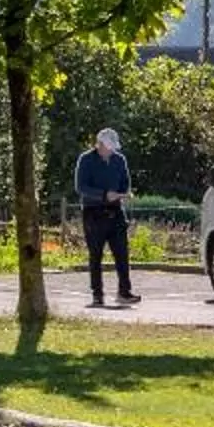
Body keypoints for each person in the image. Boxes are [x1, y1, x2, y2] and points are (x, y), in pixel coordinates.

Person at [76, 125, 137, 307]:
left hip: (116, 210)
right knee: (95, 255)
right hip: (93, 212)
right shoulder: (86, 160)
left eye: (113, 147)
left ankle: (124, 291)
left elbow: (125, 182)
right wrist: (103, 194)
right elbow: (81, 187)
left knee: (122, 253)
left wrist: (123, 193)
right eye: (107, 147)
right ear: (99, 144)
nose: (110, 151)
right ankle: (97, 294)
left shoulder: (119, 160)